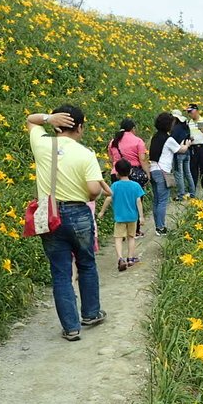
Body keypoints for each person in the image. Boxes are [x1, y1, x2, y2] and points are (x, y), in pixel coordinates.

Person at [26, 105, 106, 342]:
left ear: (57, 125)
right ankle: (91, 314)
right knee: (86, 264)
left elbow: (31, 120)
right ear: (80, 127)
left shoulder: (42, 144)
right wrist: (95, 196)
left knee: (60, 272)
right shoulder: (85, 153)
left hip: (50, 215)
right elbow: (93, 190)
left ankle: (71, 328)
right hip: (78, 213)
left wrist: (48, 118)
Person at [99, 158, 144, 272]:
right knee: (131, 237)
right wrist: (141, 216)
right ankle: (130, 258)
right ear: (130, 172)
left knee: (118, 238)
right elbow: (138, 201)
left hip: (119, 218)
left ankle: (120, 258)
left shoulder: (115, 186)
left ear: (117, 172)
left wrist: (102, 211)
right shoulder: (135, 186)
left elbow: (109, 198)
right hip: (132, 217)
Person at [108, 118, 149, 236]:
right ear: (133, 129)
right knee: (136, 201)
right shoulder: (138, 141)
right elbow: (142, 159)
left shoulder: (113, 142)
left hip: (116, 173)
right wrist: (147, 174)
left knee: (118, 202)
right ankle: (134, 231)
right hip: (134, 174)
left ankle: (120, 230)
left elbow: (111, 160)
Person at [148, 112, 187, 235]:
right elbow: (181, 150)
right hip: (163, 171)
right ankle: (161, 227)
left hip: (153, 170)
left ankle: (158, 226)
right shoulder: (168, 139)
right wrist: (187, 144)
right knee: (163, 200)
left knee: (157, 200)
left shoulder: (155, 137)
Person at [185, 103, 203, 198]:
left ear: (196, 110)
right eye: (188, 112)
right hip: (192, 148)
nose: (190, 114)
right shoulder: (189, 123)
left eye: (191, 111)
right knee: (193, 170)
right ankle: (192, 191)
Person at [169, 109, 194, 201]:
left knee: (179, 174)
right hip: (187, 152)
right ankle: (192, 192)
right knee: (188, 173)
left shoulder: (175, 129)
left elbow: (171, 141)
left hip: (179, 153)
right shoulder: (185, 127)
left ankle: (181, 195)